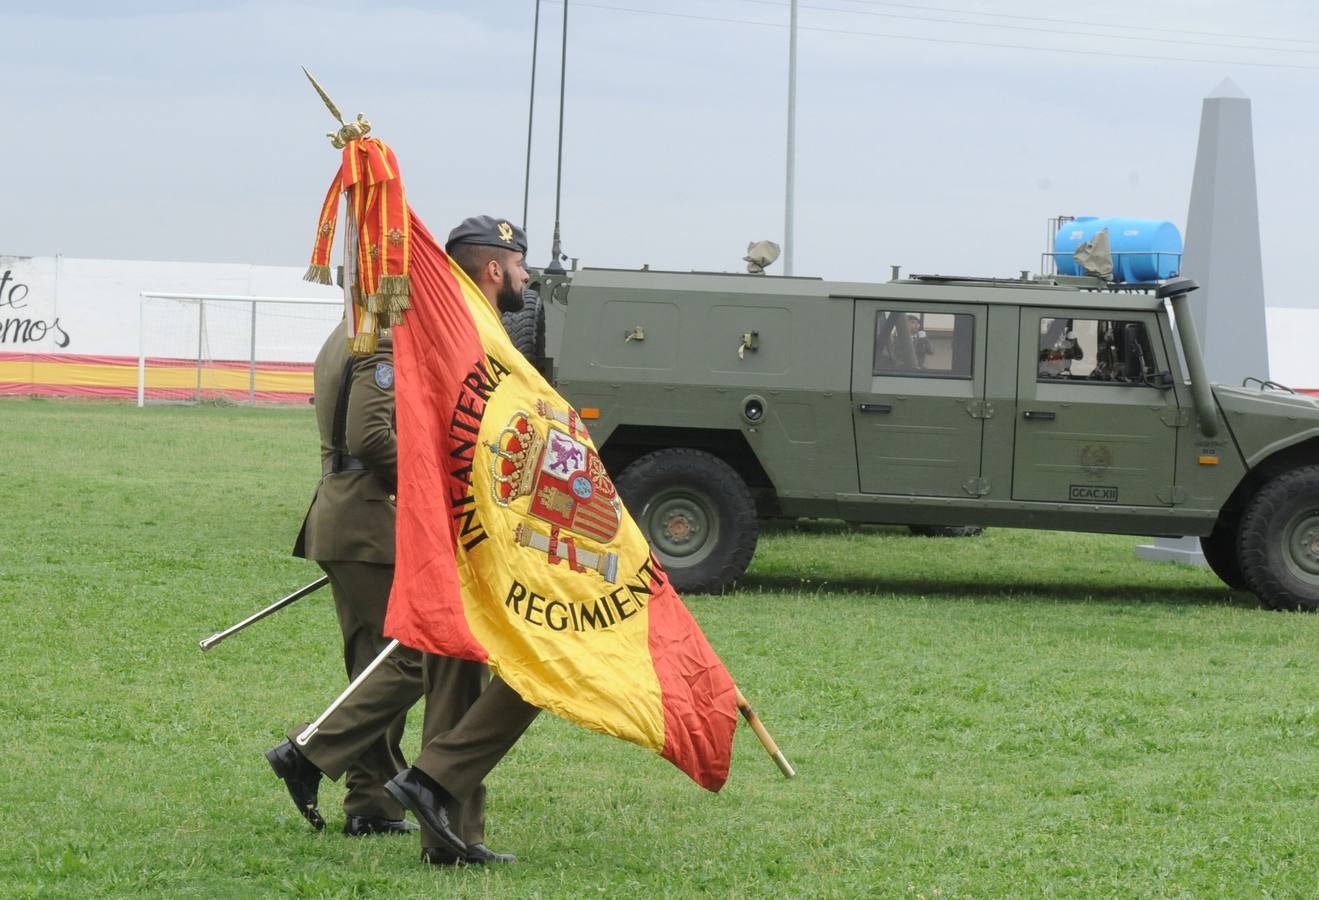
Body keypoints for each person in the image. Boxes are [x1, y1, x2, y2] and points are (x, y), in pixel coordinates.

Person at [264, 215, 531, 866]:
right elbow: (374, 439)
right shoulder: (381, 334)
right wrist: (455, 476)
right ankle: (311, 752)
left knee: (376, 665)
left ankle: (372, 805)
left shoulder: (353, 331)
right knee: (421, 659)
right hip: (375, 520)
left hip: (350, 519)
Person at [380, 216, 545, 866]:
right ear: (493, 267)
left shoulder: (468, 328)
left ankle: (449, 838)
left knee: (454, 686)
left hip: (462, 538)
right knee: (539, 670)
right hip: (469, 540)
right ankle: (430, 781)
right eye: (519, 263)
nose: (527, 275)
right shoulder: (463, 333)